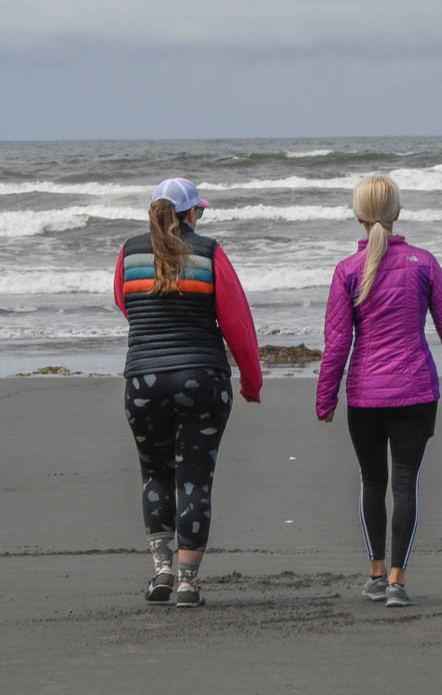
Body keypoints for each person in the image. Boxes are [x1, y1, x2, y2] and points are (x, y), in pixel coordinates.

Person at [315, 175, 442, 608]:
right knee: (404, 484)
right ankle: (398, 581)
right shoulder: (424, 263)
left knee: (371, 480)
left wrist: (325, 397)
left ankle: (376, 573)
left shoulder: (346, 270)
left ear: (359, 217)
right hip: (416, 392)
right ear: (397, 213)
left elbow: (337, 343)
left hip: (364, 396)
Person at [114, 177, 262, 607]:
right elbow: (237, 323)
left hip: (143, 379)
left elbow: (127, 305)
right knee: (195, 479)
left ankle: (160, 570)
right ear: (192, 213)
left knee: (155, 473)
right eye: (200, 210)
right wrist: (251, 381)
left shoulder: (129, 251)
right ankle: (186, 583)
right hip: (202, 380)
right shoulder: (210, 252)